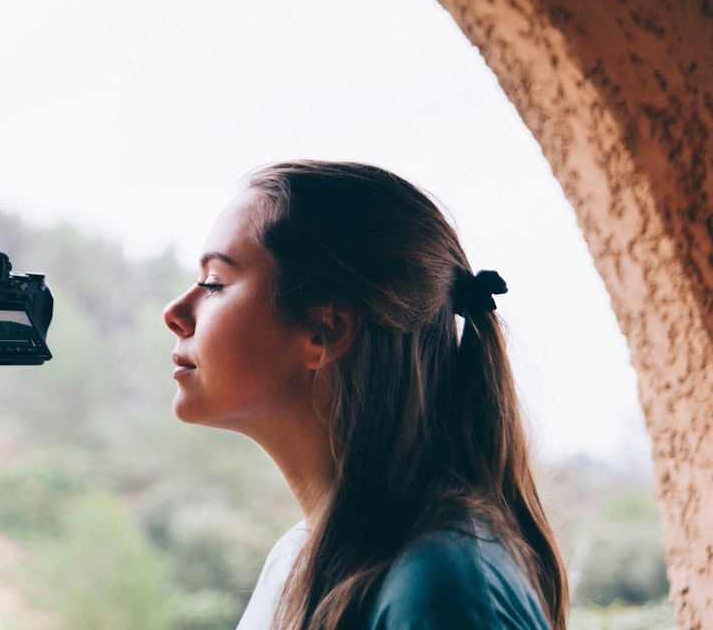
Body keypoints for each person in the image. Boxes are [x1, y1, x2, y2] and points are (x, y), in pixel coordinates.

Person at [162, 160, 569, 630]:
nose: (175, 312)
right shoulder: (300, 559)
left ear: (325, 329)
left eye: (214, 283)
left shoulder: (443, 585)